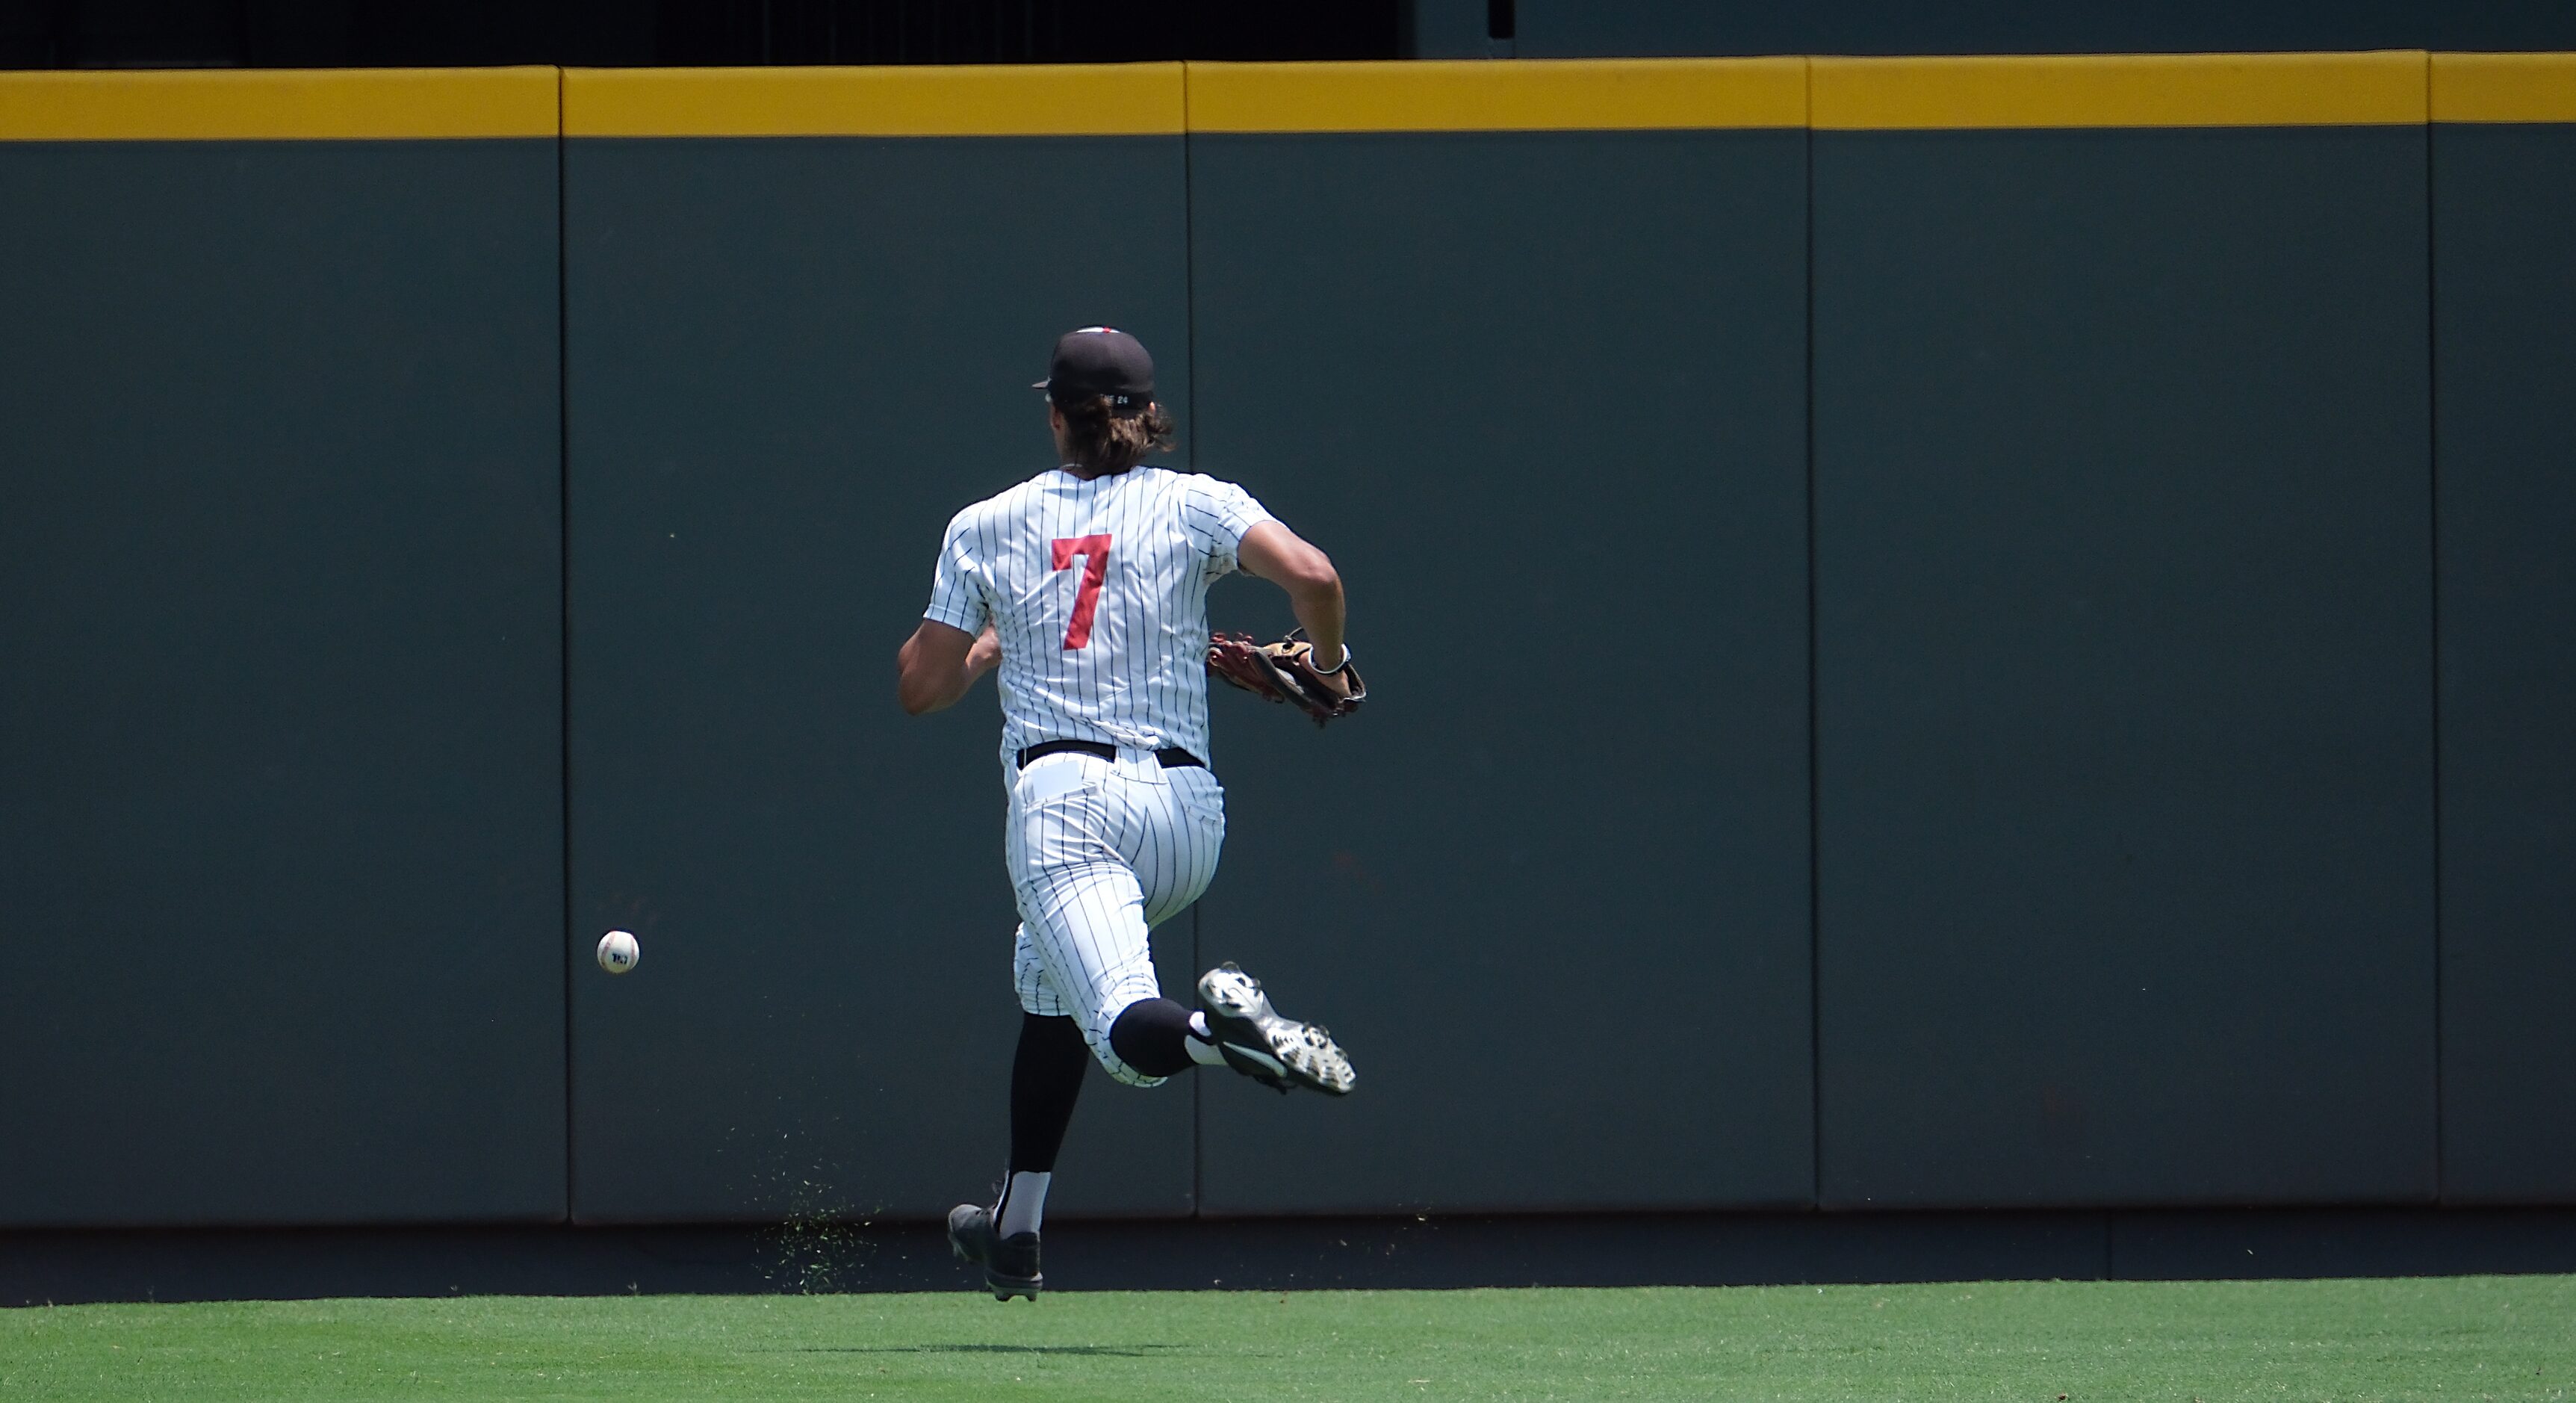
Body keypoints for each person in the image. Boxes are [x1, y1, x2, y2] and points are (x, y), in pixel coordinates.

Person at [895, 326, 1358, 1301]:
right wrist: (1322, 666)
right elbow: (1314, 577)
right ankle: (1014, 1230)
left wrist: (984, 649)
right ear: (1145, 414)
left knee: (1125, 1037)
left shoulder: (986, 523)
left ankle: (1217, 1033)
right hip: (1189, 819)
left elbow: (921, 688)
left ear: (1054, 414)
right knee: (1046, 974)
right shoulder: (1197, 500)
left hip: (1066, 807)